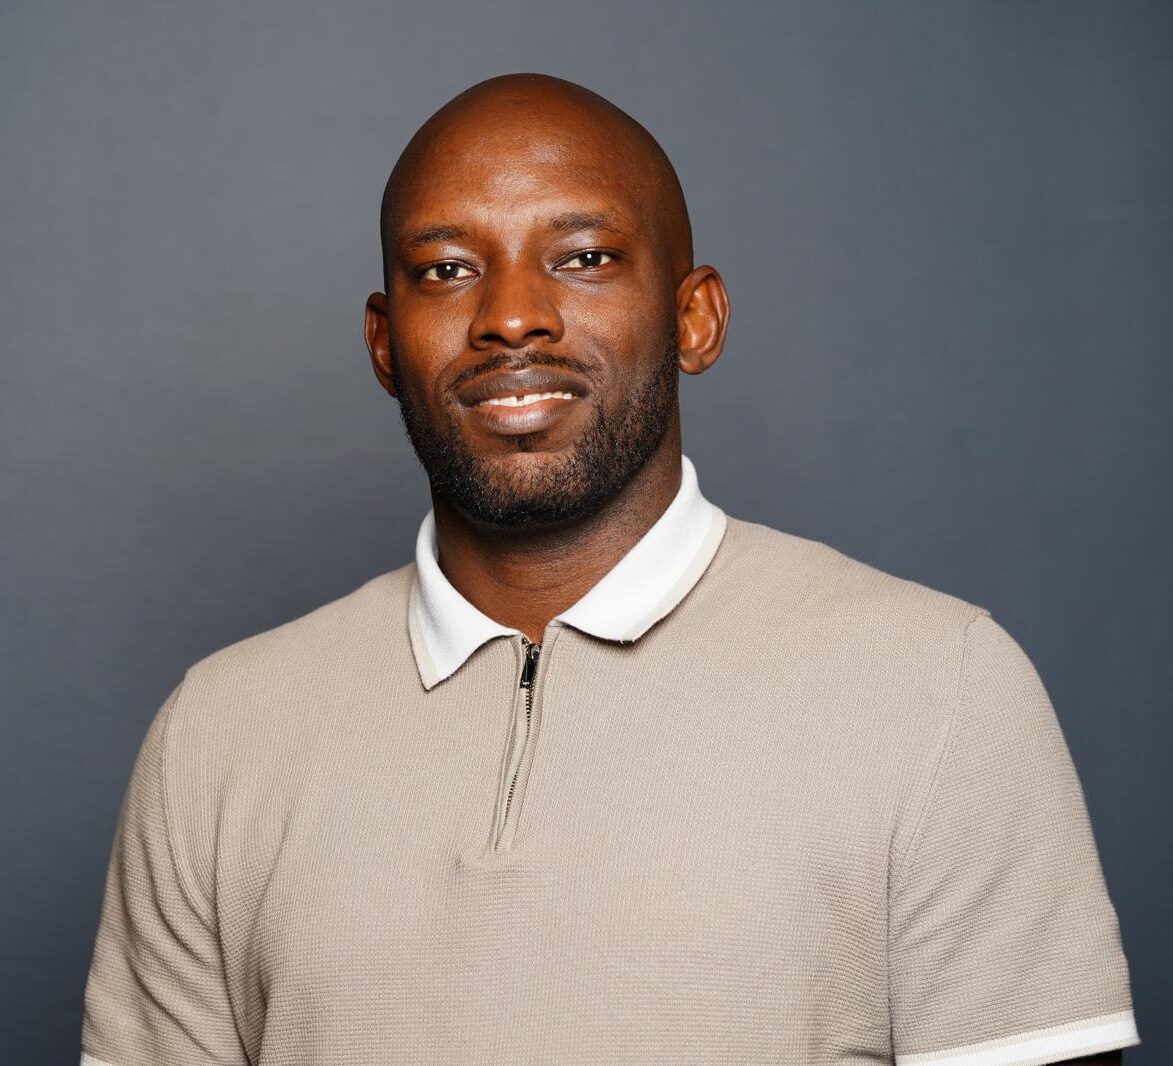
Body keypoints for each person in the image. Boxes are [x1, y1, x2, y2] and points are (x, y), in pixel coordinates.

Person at [80, 73, 1138, 1066]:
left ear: (694, 318)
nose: (509, 316)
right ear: (384, 343)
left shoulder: (941, 688)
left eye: (583, 257)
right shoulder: (216, 735)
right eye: (446, 269)